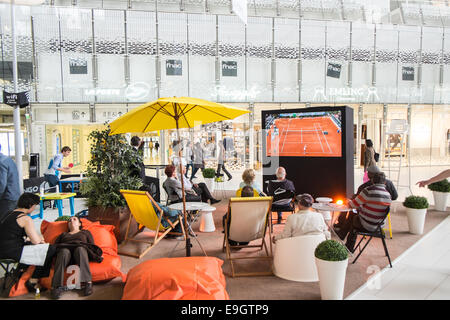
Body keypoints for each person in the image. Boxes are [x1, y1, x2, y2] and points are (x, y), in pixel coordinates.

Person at [0, 193, 56, 293]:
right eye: (35, 206)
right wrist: (41, 240)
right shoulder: (25, 218)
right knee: (50, 249)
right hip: (11, 252)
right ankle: (33, 281)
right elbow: (36, 241)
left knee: (31, 245)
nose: (34, 208)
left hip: (2, 250)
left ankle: (21, 271)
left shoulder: (8, 213)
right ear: (30, 205)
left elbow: (10, 233)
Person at [334, 172, 392, 253]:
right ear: (384, 182)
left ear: (372, 181)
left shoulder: (368, 191)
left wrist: (348, 201)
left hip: (367, 225)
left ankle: (347, 245)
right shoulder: (388, 195)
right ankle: (343, 238)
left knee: (353, 216)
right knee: (354, 215)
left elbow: (353, 205)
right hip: (378, 226)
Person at [51, 216, 102, 299]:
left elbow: (92, 246)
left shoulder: (85, 232)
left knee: (80, 249)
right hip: (65, 256)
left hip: (81, 254)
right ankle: (56, 286)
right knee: (64, 251)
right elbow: (55, 247)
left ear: (79, 224)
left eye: (74, 219)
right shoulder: (63, 235)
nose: (71, 221)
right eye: (69, 221)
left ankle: (88, 283)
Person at [0, 143, 20, 220]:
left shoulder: (1, 162)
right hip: (14, 196)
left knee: (4, 222)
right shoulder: (7, 159)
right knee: (11, 222)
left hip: (6, 198)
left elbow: (1, 184)